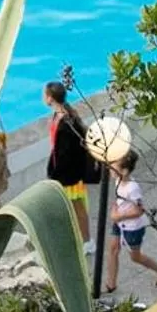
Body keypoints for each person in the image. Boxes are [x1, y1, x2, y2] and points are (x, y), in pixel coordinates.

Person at [101, 150, 157, 295]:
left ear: (124, 171)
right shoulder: (119, 180)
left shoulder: (133, 188)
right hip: (120, 222)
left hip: (132, 227)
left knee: (135, 257)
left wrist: (118, 215)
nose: (111, 168)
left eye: (114, 166)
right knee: (113, 249)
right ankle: (110, 284)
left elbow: (139, 210)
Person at [43, 81, 99, 242]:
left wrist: (57, 172)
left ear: (50, 98)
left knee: (77, 206)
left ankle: (87, 240)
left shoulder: (67, 123)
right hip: (61, 172)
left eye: (45, 95)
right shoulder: (58, 117)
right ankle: (77, 237)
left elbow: (68, 153)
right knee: (71, 207)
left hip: (69, 175)